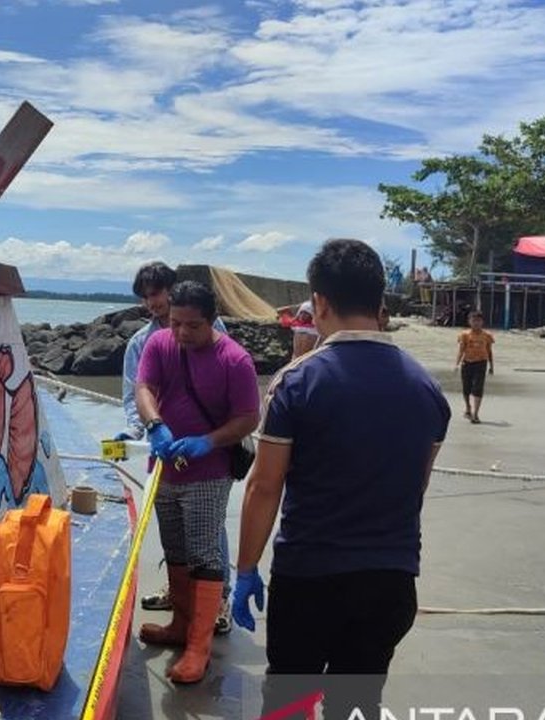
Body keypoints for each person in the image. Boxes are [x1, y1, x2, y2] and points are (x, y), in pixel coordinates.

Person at [232, 238, 450, 718]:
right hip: (391, 580)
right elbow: (417, 486)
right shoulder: (427, 388)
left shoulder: (297, 381)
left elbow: (264, 486)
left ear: (320, 303)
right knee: (357, 703)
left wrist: (245, 569)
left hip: (310, 576)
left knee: (290, 701)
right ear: (380, 305)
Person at [135, 280, 260, 683]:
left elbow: (248, 418)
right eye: (175, 323)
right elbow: (144, 388)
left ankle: (198, 648)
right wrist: (155, 425)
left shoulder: (235, 360)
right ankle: (179, 625)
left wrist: (208, 441)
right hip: (165, 466)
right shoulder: (158, 345)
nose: (182, 333)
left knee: (204, 553)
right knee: (174, 549)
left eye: (193, 326)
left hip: (208, 473)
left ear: (211, 321)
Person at [115, 262, 233, 633]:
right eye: (146, 296)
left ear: (173, 289)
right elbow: (135, 393)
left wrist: (213, 438)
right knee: (174, 527)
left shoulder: (213, 331)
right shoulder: (141, 343)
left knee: (210, 527)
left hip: (205, 449)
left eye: (158, 293)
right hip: (165, 449)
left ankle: (220, 601)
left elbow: (230, 387)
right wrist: (138, 431)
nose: (153, 302)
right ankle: (180, 597)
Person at [456, 310, 494, 423]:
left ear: (482, 322)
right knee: (466, 388)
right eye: (473, 320)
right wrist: (457, 364)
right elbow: (461, 350)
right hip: (467, 363)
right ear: (469, 322)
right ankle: (468, 407)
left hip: (481, 363)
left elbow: (489, 351)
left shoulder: (487, 336)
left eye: (478, 321)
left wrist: (492, 366)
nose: (476, 323)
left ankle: (476, 414)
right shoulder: (464, 335)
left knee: (478, 388)